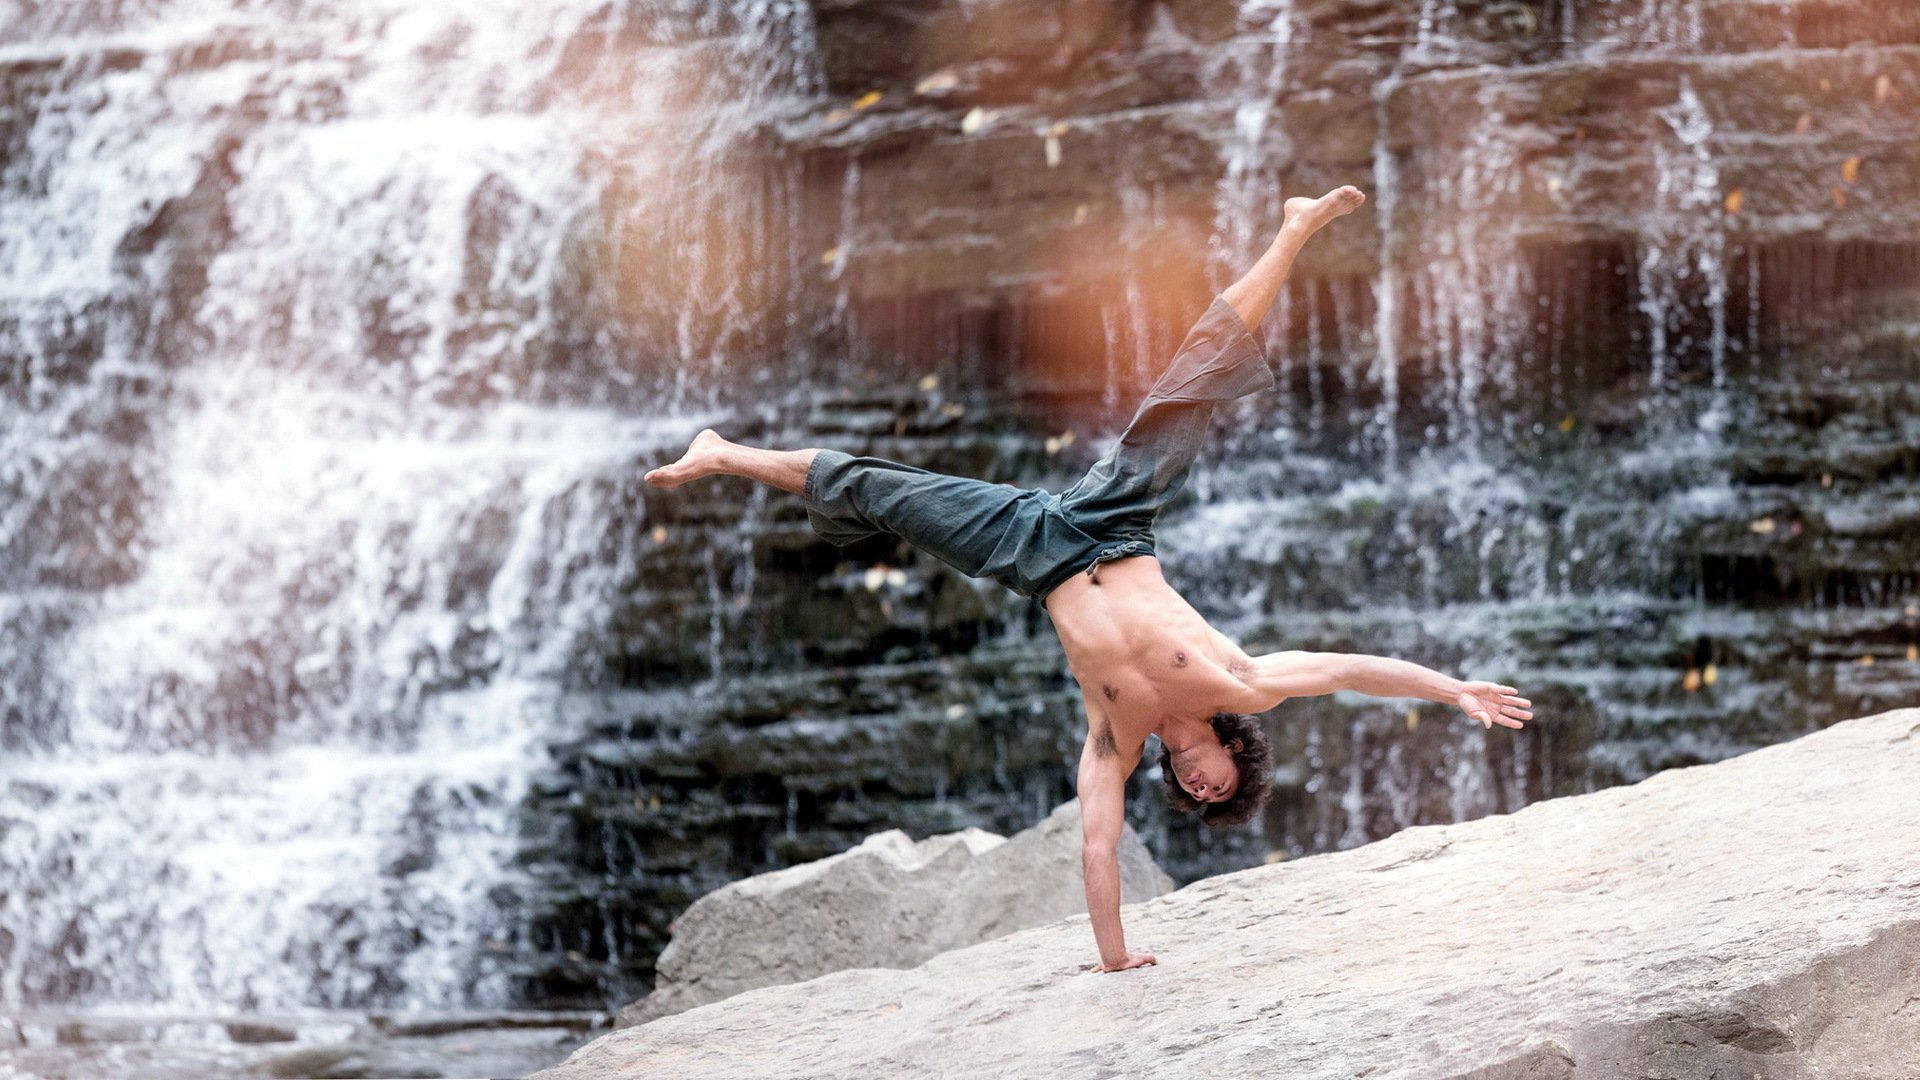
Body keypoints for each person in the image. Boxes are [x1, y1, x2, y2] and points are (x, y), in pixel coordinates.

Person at [645, 185, 1532, 974]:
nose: (1202, 787)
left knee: (884, 493)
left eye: (1197, 798)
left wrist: (1114, 958)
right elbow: (1347, 668)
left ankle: (723, 453)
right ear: (1234, 751)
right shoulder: (1243, 684)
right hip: (1115, 520)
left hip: (1033, 554)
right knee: (1196, 374)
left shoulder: (1116, 736)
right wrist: (1453, 688)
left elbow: (1098, 846)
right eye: (1220, 783)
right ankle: (1294, 230)